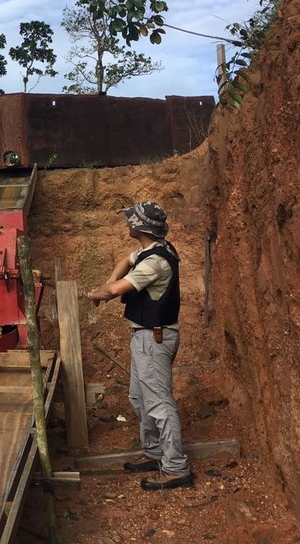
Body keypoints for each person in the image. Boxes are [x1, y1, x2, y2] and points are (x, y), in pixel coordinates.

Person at [87, 201, 194, 491]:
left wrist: (94, 293)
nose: (128, 224)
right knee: (139, 397)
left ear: (140, 228)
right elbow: (125, 261)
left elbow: (115, 291)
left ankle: (176, 468)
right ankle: (155, 453)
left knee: (159, 402)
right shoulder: (153, 250)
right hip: (145, 336)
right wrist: (107, 282)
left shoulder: (155, 263)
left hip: (154, 338)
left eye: (131, 221)